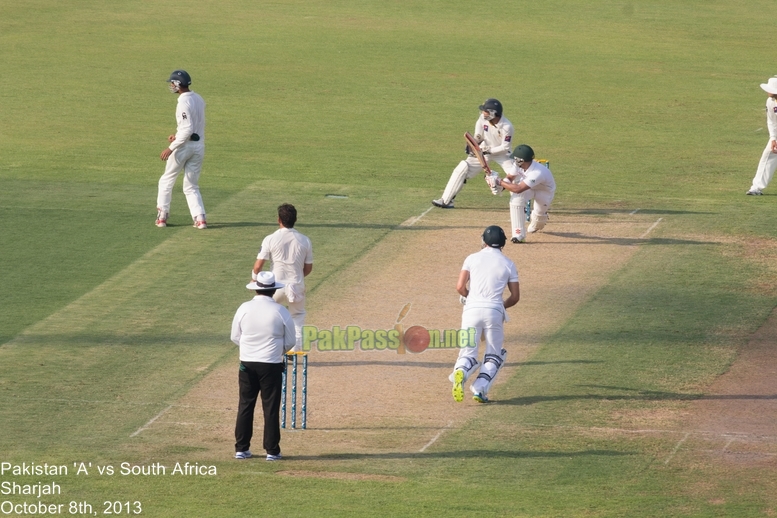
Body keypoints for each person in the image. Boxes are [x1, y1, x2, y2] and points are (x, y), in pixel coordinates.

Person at [450, 225, 520, 403]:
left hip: (471, 310)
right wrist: (500, 307)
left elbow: (459, 287)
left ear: (484, 241)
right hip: (494, 311)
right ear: (503, 243)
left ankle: (461, 371)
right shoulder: (508, 263)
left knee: (467, 352)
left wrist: (469, 297)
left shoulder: (472, 258)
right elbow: (515, 296)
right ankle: (479, 390)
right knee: (494, 355)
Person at [232, 271, 296, 461]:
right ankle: (272, 451)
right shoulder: (280, 311)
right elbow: (291, 340)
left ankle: (241, 448)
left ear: (257, 288)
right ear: (273, 290)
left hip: (247, 363)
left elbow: (235, 336)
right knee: (271, 407)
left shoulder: (244, 308)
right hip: (271, 365)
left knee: (245, 404)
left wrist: (250, 350)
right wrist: (276, 352)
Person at [432, 99, 521, 209]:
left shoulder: (507, 126)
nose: (483, 113)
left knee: (516, 176)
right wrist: (472, 146)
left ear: (493, 113)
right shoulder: (482, 119)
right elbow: (478, 137)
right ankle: (446, 200)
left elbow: (505, 147)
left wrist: (488, 150)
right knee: (463, 168)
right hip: (483, 151)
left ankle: (520, 206)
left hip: (502, 154)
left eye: (485, 111)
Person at [252, 204, 313, 351]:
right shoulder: (305, 240)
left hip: (275, 287)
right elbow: (308, 268)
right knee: (297, 317)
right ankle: (295, 350)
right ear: (295, 219)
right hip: (296, 285)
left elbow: (258, 266)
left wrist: (254, 280)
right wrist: (298, 276)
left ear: (279, 219)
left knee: (271, 317)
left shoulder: (270, 239)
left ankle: (270, 348)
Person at [155, 70, 208, 229]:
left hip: (183, 147)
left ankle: (162, 216)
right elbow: (192, 128)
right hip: (198, 147)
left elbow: (187, 129)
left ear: (178, 84)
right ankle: (200, 219)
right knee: (191, 185)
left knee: (167, 179)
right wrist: (177, 136)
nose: (171, 86)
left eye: (172, 83)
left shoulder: (183, 102)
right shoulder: (198, 98)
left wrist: (171, 147)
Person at [487, 144, 556, 243]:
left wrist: (499, 181)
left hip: (544, 191)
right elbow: (510, 178)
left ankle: (538, 220)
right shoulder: (517, 165)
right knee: (516, 199)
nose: (514, 161)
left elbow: (518, 188)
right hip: (529, 187)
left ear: (521, 160)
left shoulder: (537, 172)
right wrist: (500, 187)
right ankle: (518, 234)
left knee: (538, 218)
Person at [747, 77, 777, 196]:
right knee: (769, 154)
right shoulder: (770, 102)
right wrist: (773, 138)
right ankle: (756, 188)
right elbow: (771, 121)